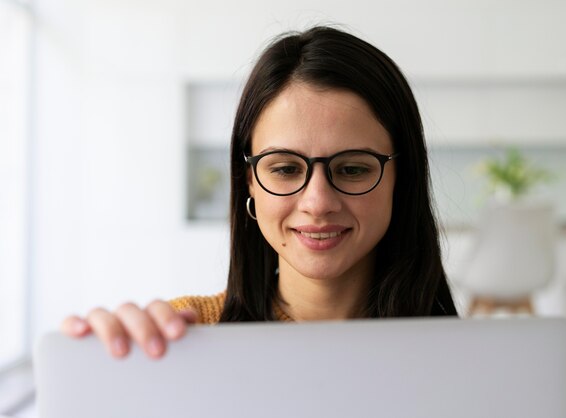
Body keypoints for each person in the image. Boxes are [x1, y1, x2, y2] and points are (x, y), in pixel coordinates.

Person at [61, 25, 458, 359]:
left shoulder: (468, 360)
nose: (317, 202)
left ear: (401, 179)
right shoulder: (181, 340)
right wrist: (108, 377)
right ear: (249, 179)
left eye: (352, 169)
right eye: (285, 168)